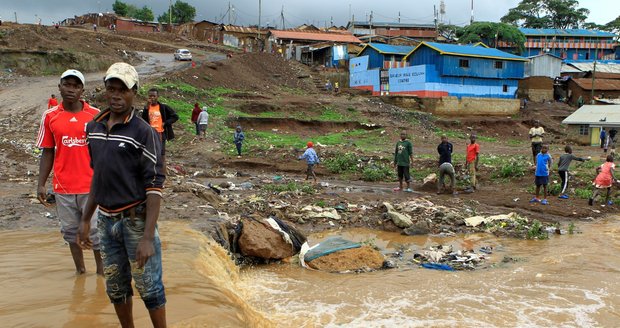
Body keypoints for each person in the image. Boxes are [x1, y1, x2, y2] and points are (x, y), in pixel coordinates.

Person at [77, 62, 167, 327]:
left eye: (122, 90)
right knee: (116, 288)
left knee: (149, 288)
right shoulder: (93, 128)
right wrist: (85, 220)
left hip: (136, 220)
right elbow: (98, 177)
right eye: (111, 89)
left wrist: (148, 237)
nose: (116, 95)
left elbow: (154, 186)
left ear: (134, 93)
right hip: (106, 221)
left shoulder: (144, 132)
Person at [36, 69, 103, 275]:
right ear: (59, 87)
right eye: (67, 84)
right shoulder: (50, 116)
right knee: (70, 232)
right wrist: (41, 183)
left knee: (95, 233)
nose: (71, 89)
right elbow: (48, 151)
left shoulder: (96, 115)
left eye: (76, 86)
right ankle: (80, 271)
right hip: (63, 188)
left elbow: (106, 151)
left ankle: (101, 273)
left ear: (82, 89)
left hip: (91, 187)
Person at [142, 88, 179, 169]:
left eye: (154, 96)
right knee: (150, 154)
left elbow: (175, 117)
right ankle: (152, 173)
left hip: (160, 134)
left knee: (162, 156)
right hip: (150, 134)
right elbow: (143, 120)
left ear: (157, 96)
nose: (152, 98)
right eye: (150, 96)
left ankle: (162, 176)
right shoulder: (147, 108)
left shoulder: (163, 107)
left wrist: (165, 123)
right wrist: (146, 108)